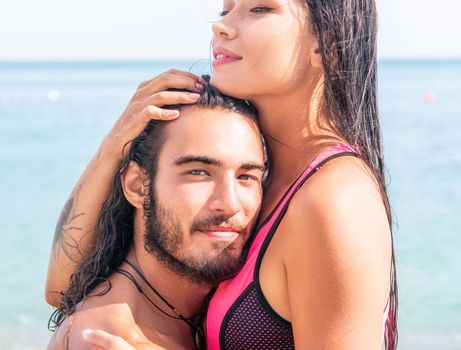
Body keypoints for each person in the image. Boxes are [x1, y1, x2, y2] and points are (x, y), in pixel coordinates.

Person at [47, 0, 398, 348]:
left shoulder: (335, 199)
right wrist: (116, 143)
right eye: (225, 11)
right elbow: (63, 289)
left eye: (260, 9)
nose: (221, 26)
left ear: (328, 42)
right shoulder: (266, 177)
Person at [47, 81, 267, 349]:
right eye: (198, 172)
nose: (230, 204)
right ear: (137, 186)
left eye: (247, 176)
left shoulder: (204, 311)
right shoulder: (105, 339)